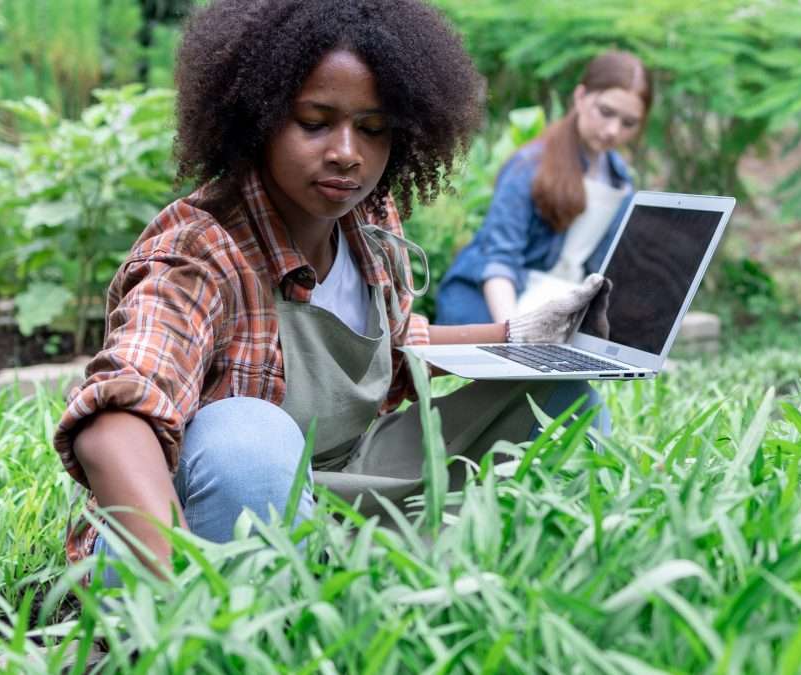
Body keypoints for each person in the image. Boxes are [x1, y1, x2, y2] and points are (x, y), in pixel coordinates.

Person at [53, 0, 608, 584]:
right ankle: (249, 612)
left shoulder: (367, 219)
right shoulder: (200, 253)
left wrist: (517, 336)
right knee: (248, 433)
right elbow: (117, 415)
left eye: (372, 129)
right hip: (203, 520)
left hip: (341, 481)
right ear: (258, 119)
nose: (348, 152)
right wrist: (174, 588)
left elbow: (388, 351)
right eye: (315, 122)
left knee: (561, 400)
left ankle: (527, 580)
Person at [435, 50, 653, 325]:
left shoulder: (621, 182)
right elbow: (499, 260)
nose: (613, 130)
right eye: (606, 112)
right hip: (487, 307)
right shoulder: (529, 165)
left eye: (628, 123)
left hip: (554, 310)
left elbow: (600, 274)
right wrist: (511, 335)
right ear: (581, 97)